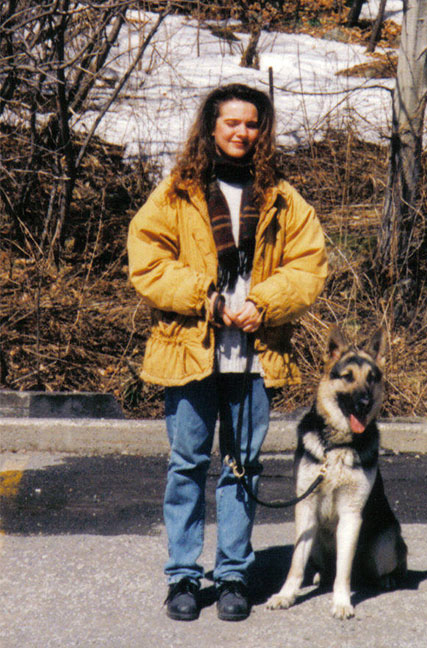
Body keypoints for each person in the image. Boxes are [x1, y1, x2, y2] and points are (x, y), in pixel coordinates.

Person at [127, 83, 327, 622]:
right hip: (190, 350)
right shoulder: (176, 192)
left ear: (262, 131)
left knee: (242, 468)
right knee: (188, 465)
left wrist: (265, 302)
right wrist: (205, 300)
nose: (242, 132)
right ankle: (184, 578)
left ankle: (235, 574)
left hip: (254, 357)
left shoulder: (283, 197)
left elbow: (308, 267)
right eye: (232, 122)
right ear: (211, 127)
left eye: (252, 123)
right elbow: (147, 262)